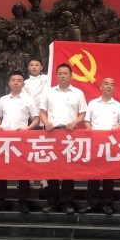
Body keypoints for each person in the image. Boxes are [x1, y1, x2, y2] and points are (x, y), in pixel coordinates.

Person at [39, 62, 87, 214]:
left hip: (69, 135)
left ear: (71, 76)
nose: (63, 75)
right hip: (52, 134)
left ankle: (67, 203)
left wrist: (74, 123)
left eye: (65, 73)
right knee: (52, 169)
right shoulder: (49, 92)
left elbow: (83, 114)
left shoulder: (78, 93)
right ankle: (52, 203)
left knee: (68, 170)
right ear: (56, 75)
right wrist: (46, 122)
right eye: (60, 73)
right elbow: (42, 112)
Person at [0, 72, 40, 214]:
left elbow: (36, 119)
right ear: (9, 83)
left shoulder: (29, 100)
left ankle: (23, 203)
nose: (16, 82)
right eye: (13, 80)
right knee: (2, 172)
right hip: (5, 140)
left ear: (23, 84)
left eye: (19, 80)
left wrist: (27, 129)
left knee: (23, 173)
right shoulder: (3, 99)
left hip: (22, 140)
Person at [82, 78, 120, 215]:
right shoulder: (92, 103)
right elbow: (87, 121)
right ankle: (92, 204)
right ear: (101, 87)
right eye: (106, 84)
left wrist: (116, 129)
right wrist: (89, 129)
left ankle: (107, 204)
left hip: (110, 145)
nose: (109, 86)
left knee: (109, 175)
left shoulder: (118, 105)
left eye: (112, 84)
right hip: (95, 144)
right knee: (93, 175)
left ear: (114, 88)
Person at [23, 57, 49, 189]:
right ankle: (29, 177)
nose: (34, 67)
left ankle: (44, 179)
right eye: (31, 65)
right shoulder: (24, 83)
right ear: (28, 68)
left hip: (45, 118)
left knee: (43, 149)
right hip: (30, 119)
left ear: (41, 67)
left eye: (37, 65)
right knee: (29, 149)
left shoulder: (47, 79)